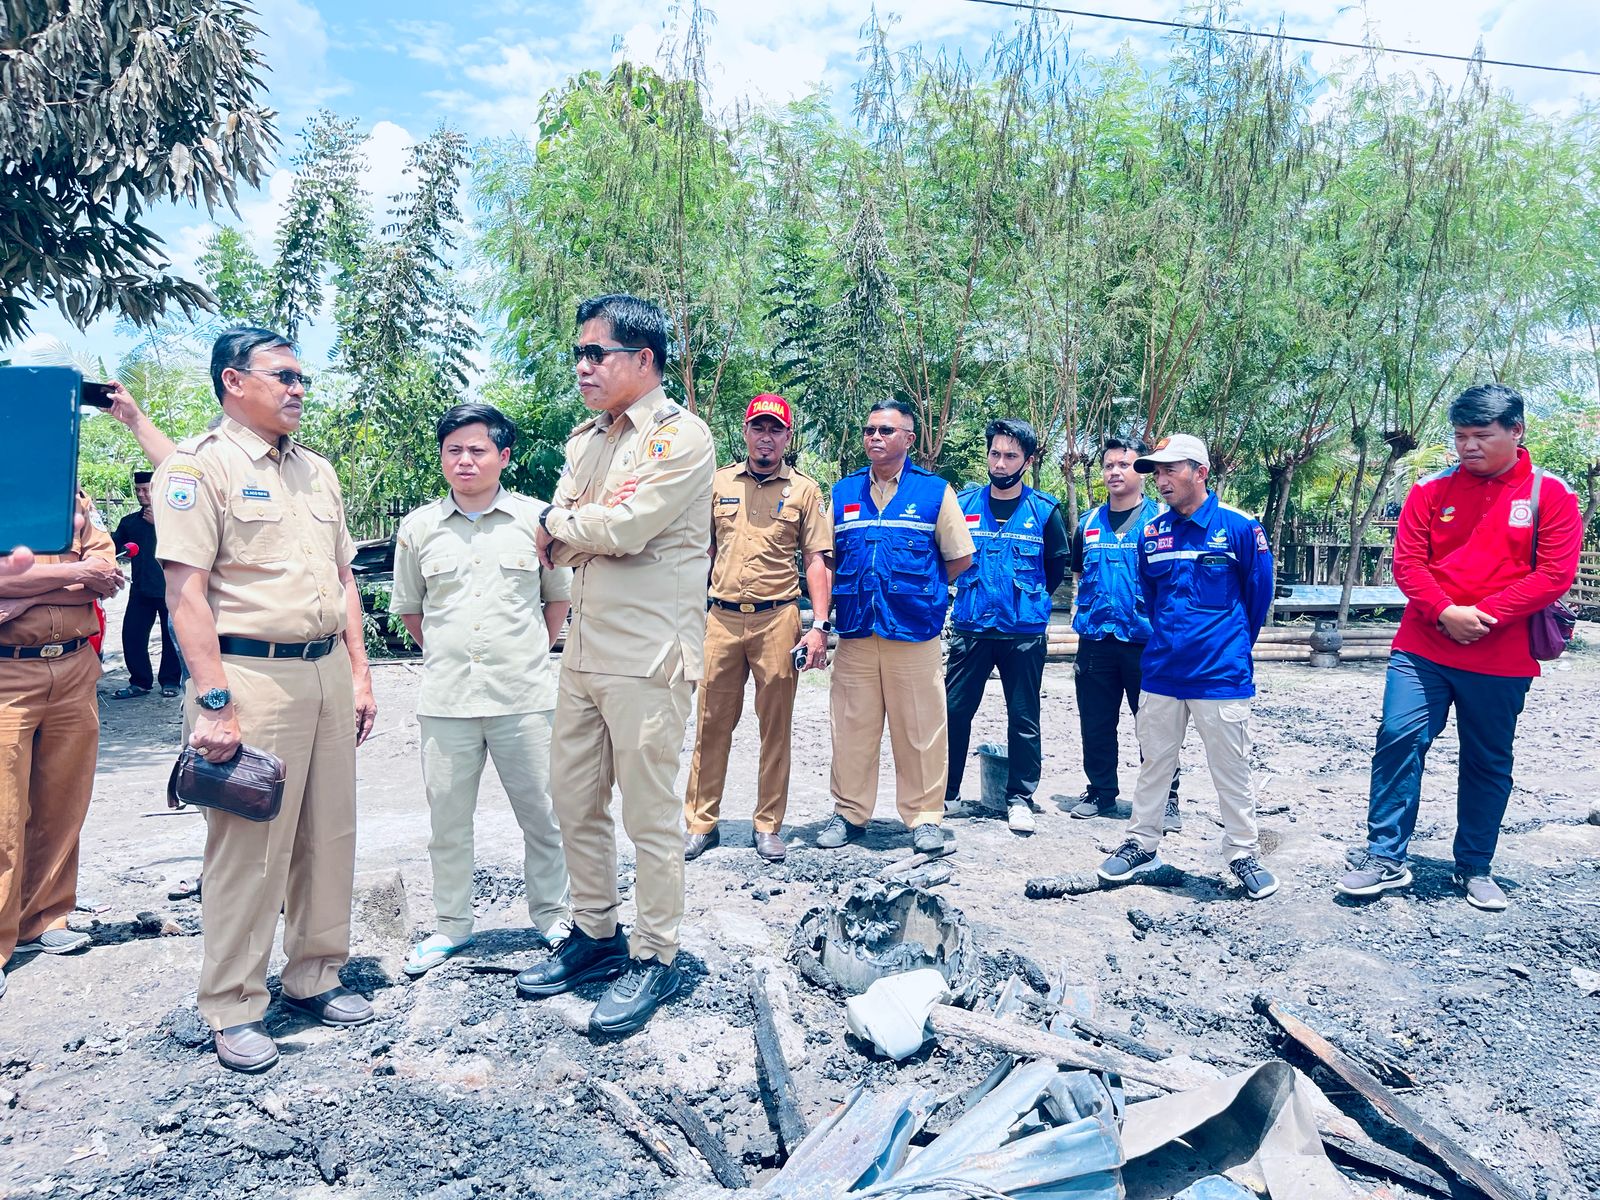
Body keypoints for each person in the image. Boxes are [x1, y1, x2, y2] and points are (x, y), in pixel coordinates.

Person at [153, 327, 378, 1073]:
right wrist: (214, 702)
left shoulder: (317, 471)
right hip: (249, 677)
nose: (298, 389)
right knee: (249, 848)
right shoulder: (196, 468)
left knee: (329, 834)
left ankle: (315, 974)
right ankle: (233, 1003)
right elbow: (185, 594)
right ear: (232, 382)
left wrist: (360, 673)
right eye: (282, 376)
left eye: (301, 378)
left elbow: (344, 580)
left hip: (323, 673)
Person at [517, 294, 715, 1037]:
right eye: (580, 352)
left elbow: (626, 527)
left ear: (643, 359)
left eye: (596, 353)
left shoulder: (678, 437)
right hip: (587, 653)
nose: (582, 366)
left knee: (650, 814)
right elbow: (568, 530)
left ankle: (655, 953)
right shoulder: (588, 441)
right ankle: (596, 936)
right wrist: (572, 527)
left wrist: (565, 527)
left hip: (647, 656)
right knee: (573, 800)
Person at [1338, 384, 1581, 910]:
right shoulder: (1431, 490)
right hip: (1424, 645)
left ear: (1517, 432)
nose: (1467, 446)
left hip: (1501, 656)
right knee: (1398, 738)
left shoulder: (1550, 494)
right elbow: (1408, 564)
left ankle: (1474, 866)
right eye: (1460, 436)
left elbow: (1555, 574)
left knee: (1488, 760)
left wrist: (1485, 616)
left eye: (1481, 435)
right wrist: (1446, 612)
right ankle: (1384, 857)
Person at [390, 403, 574, 974]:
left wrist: (522, 656)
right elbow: (412, 612)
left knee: (544, 814)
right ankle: (451, 925)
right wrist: (453, 656)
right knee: (447, 821)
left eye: (478, 449)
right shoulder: (419, 528)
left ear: (503, 456)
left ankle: (553, 916)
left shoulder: (534, 520)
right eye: (454, 450)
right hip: (447, 701)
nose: (465, 460)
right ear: (442, 457)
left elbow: (557, 602)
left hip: (523, 696)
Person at [1095, 434, 1279, 900]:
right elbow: (1153, 599)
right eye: (1156, 471)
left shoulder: (1239, 528)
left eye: (1170, 470)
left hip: (1221, 676)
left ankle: (1241, 853)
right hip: (1162, 672)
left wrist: (1228, 646)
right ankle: (1141, 843)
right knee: (1155, 762)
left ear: (1200, 472)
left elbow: (1258, 599)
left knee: (1231, 768)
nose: (1160, 480)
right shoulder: (1153, 533)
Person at [819, 399, 975, 855]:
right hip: (857, 634)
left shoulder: (935, 493)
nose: (875, 437)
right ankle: (849, 813)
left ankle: (925, 817)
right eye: (869, 430)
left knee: (921, 730)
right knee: (851, 729)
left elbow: (960, 557)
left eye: (886, 430)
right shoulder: (844, 493)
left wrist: (918, 589)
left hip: (913, 632)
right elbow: (827, 558)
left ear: (909, 438)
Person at [682, 394, 833, 864]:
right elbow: (699, 554)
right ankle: (701, 823)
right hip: (720, 618)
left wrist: (820, 627)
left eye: (776, 430)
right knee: (710, 724)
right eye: (758, 428)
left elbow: (816, 561)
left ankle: (768, 825)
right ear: (745, 432)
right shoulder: (717, 484)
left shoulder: (805, 491)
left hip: (778, 620)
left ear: (787, 437)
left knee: (776, 727)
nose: (766, 438)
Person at [0, 491, 122, 1002]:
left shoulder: (71, 497)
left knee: (63, 802)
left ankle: (45, 916)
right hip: (7, 672)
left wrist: (25, 594)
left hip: (74, 670)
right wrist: (70, 578)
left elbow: (107, 574)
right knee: (4, 811)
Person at [945, 418, 1067, 835]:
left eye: (1011, 455)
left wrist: (1023, 603)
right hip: (972, 628)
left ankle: (1019, 798)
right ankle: (947, 794)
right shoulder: (962, 505)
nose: (1000, 462)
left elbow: (1055, 570)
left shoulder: (1044, 511)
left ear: (1027, 461)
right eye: (995, 453)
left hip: (1023, 633)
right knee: (954, 711)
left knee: (1024, 717)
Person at [1067, 438, 1180, 826]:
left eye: (1124, 465)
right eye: (1108, 465)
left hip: (1146, 641)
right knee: (1095, 721)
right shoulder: (1087, 523)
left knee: (1154, 725)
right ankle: (1101, 791)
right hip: (1096, 639)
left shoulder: (1163, 522)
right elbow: (1079, 571)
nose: (1114, 472)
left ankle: (1166, 799)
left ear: (1143, 472)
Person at [111, 470, 181, 698]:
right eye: (138, 490)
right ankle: (140, 682)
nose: (142, 494)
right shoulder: (130, 523)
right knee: (132, 635)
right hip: (140, 589)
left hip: (170, 589)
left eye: (147, 490)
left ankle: (170, 681)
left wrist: (161, 521)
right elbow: (112, 548)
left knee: (171, 638)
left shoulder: (177, 520)